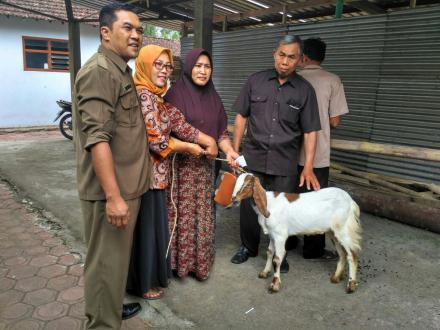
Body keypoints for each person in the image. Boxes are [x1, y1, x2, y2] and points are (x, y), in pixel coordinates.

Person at [73, 4, 148, 329]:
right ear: (105, 32)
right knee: (105, 264)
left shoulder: (118, 69)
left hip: (125, 187)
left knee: (114, 263)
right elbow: (98, 139)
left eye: (139, 30)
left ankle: (111, 308)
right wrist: (114, 196)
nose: (136, 35)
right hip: (111, 193)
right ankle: (102, 322)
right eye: (128, 28)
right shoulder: (101, 71)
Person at [126, 45, 217, 299]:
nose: (165, 71)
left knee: (152, 230)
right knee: (146, 232)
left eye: (168, 66)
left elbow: (176, 122)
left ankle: (146, 281)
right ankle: (143, 285)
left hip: (157, 175)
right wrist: (191, 147)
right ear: (144, 64)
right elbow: (158, 141)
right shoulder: (144, 96)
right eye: (158, 65)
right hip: (147, 176)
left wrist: (205, 139)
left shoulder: (156, 96)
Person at [230, 35, 321, 272]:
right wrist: (235, 151)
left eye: (292, 57)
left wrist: (309, 167)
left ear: (300, 60)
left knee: (284, 210)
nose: (285, 61)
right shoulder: (255, 81)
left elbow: (311, 131)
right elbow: (241, 116)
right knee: (250, 207)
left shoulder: (305, 90)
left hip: (285, 162)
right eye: (282, 55)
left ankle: (281, 252)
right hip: (254, 157)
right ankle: (248, 248)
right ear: (274, 54)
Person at [164, 48, 238, 280]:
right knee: (181, 217)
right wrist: (206, 140)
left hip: (205, 170)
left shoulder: (213, 97)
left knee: (204, 216)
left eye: (207, 66)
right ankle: (179, 266)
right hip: (180, 170)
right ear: (188, 67)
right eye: (198, 66)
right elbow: (178, 126)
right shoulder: (175, 94)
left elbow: (222, 133)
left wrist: (230, 151)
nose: (203, 71)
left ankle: (200, 264)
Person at [298, 37, 349, 259]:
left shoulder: (292, 78)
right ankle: (312, 250)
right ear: (322, 58)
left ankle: (288, 241)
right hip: (318, 155)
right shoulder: (333, 80)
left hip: (290, 152)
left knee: (290, 195)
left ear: (303, 57)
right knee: (316, 202)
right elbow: (335, 121)